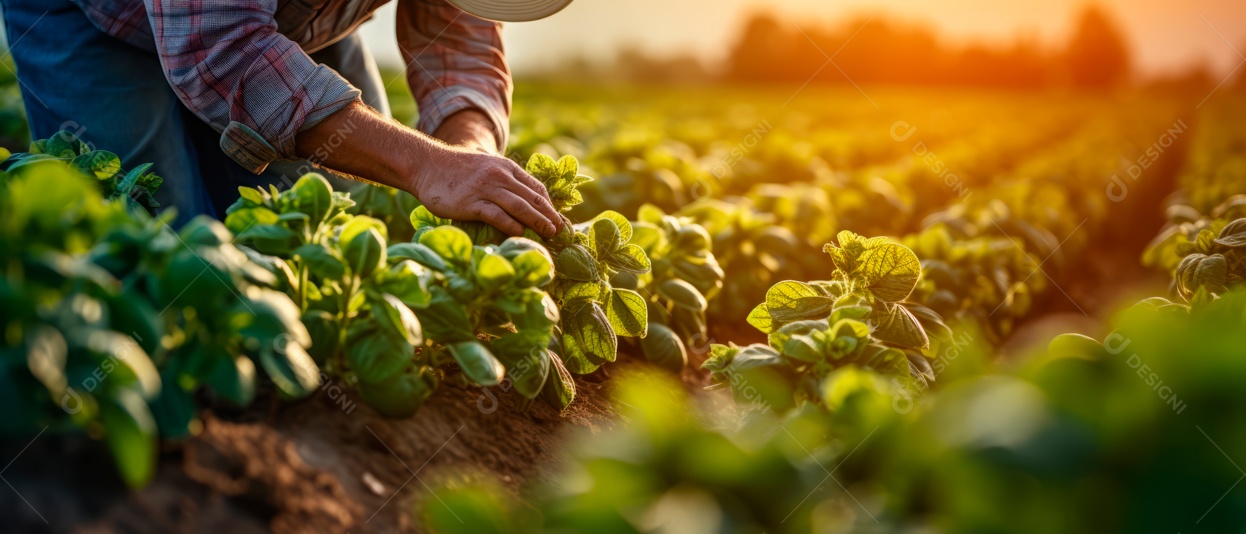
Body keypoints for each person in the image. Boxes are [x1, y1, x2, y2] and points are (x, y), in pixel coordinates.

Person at [1, 0, 572, 237]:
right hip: (94, 16)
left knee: (330, 224)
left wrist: (466, 150)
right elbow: (220, 46)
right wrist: (424, 165)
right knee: (160, 242)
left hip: (290, 20)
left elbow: (459, 36)